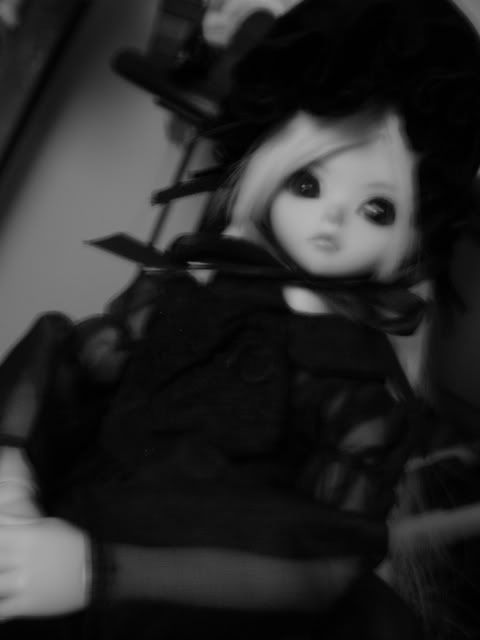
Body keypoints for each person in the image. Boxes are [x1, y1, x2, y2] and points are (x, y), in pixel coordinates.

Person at [0, 0, 479, 638]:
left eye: (378, 210)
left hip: (199, 606)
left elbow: (319, 567)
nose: (332, 219)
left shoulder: (357, 394)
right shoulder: (179, 296)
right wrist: (11, 479)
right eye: (308, 184)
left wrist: (98, 571)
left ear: (417, 231)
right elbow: (64, 369)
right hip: (60, 546)